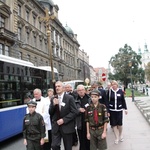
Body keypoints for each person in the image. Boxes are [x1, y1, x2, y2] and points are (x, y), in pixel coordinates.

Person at [49, 81, 78, 150]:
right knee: (54, 146)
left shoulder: (69, 98)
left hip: (67, 126)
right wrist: (53, 105)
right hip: (56, 126)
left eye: (59, 86)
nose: (57, 88)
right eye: (56, 87)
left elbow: (74, 112)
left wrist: (64, 120)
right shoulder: (53, 98)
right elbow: (50, 112)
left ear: (63, 88)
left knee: (68, 147)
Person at [107, 80, 128, 144]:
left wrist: (125, 109)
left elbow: (123, 100)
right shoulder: (110, 92)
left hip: (119, 110)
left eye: (115, 84)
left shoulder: (120, 91)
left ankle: (120, 134)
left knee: (120, 124)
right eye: (112, 84)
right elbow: (107, 101)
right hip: (112, 110)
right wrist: (107, 111)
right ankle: (116, 137)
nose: (113, 86)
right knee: (114, 124)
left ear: (117, 85)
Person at [75, 84, 91, 150]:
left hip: (89, 122)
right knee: (81, 140)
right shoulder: (74, 99)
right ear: (77, 92)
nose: (81, 91)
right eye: (79, 90)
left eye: (82, 90)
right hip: (80, 122)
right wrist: (79, 110)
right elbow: (73, 110)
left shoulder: (89, 98)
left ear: (85, 90)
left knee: (89, 139)